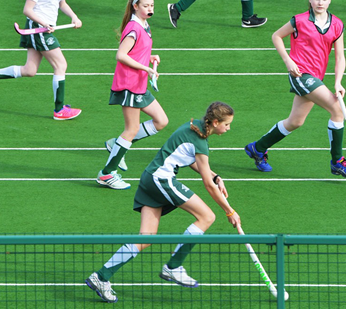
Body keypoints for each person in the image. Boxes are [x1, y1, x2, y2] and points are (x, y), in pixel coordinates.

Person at [85, 102, 242, 303]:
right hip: (161, 179)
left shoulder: (194, 127)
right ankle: (174, 267)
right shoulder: (200, 141)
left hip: (149, 178)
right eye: (227, 124)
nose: (229, 128)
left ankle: (101, 277)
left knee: (145, 238)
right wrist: (230, 211)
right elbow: (208, 185)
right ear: (216, 122)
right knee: (207, 216)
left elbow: (192, 160)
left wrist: (216, 176)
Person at [244, 0, 346, 177]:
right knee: (336, 109)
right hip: (300, 75)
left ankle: (257, 148)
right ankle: (337, 161)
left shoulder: (337, 24)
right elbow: (276, 36)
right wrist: (288, 61)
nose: (320, 2)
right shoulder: (299, 21)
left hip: (316, 77)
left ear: (330, 0)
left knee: (295, 122)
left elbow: (340, 57)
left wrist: (338, 82)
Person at [96, 0, 169, 190]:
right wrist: (146, 68)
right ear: (135, 7)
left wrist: (150, 57)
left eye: (152, 5)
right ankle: (106, 173)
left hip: (139, 84)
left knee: (161, 121)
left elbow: (137, 51)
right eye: (146, 6)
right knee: (132, 129)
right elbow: (121, 55)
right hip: (129, 84)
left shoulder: (145, 25)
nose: (150, 9)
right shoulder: (133, 28)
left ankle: (116, 144)